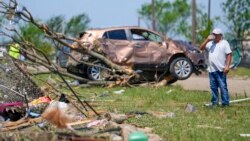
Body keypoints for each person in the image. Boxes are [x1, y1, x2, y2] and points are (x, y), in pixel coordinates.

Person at [200, 28, 232, 107]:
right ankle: (215, 103)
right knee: (213, 87)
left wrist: (227, 66)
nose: (215, 35)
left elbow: (229, 54)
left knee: (223, 87)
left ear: (220, 35)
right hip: (211, 70)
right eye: (214, 34)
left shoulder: (224, 43)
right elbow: (201, 48)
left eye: (217, 34)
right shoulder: (210, 43)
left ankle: (225, 103)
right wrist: (207, 39)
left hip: (221, 70)